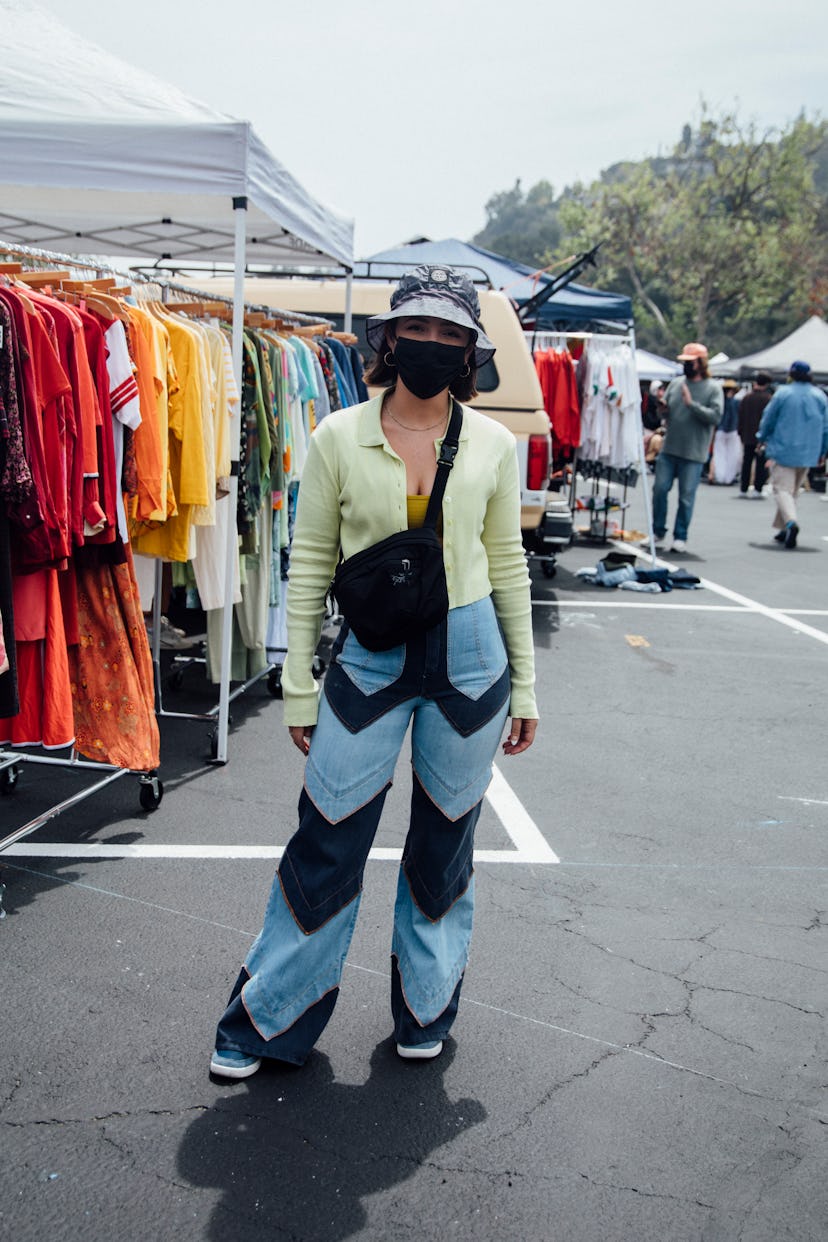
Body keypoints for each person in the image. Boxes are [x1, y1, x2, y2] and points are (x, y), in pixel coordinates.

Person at [210, 265, 539, 1078]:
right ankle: (265, 1022)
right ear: (388, 340)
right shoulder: (336, 436)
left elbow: (508, 565)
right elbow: (311, 560)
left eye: (449, 336)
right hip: (369, 658)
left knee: (445, 846)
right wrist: (294, 683)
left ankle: (425, 1012)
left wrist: (525, 684)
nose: (431, 346)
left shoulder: (496, 444)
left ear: (471, 353)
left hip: (471, 663)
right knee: (327, 836)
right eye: (416, 332)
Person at [648, 342, 723, 553]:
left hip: (694, 452)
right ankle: (658, 530)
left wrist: (692, 405)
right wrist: (663, 409)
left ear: (701, 363)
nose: (686, 366)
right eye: (685, 362)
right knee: (660, 489)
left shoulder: (712, 388)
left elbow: (716, 416)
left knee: (686, 497)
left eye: (691, 362)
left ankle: (680, 535)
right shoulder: (676, 383)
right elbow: (667, 413)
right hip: (670, 448)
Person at [757, 359, 828, 548]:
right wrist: (823, 450)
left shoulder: (783, 394)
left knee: (782, 490)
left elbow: (768, 418)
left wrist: (761, 437)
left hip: (784, 449)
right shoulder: (820, 396)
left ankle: (790, 523)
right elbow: (826, 427)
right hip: (809, 451)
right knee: (793, 491)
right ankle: (783, 529)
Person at [737, 371, 773, 497]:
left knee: (746, 462)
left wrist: (740, 432)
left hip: (747, 435)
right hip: (762, 437)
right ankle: (758, 489)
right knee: (761, 463)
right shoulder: (768, 399)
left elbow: (740, 417)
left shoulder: (746, 398)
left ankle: (743, 488)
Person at [708, 378, 742, 485]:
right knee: (732, 455)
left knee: (719, 454)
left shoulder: (720, 402)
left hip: (721, 430)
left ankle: (720, 476)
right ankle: (729, 477)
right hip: (733, 431)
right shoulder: (737, 403)